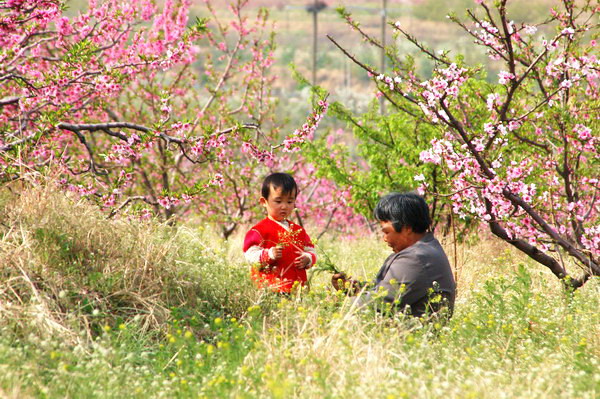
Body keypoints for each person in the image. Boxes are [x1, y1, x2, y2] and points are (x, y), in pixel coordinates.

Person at [332, 192, 456, 318]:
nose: (385, 239)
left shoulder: (415, 258)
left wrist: (334, 305)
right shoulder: (426, 249)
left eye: (387, 232)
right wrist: (355, 289)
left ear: (407, 228)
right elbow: (385, 291)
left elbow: (377, 304)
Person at [243, 172, 317, 293]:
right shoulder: (258, 230)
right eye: (278, 201)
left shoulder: (298, 230)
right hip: (271, 290)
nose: (284, 206)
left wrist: (308, 258)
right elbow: (250, 256)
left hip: (298, 290)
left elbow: (311, 250)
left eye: (289, 202)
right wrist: (269, 254)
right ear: (264, 201)